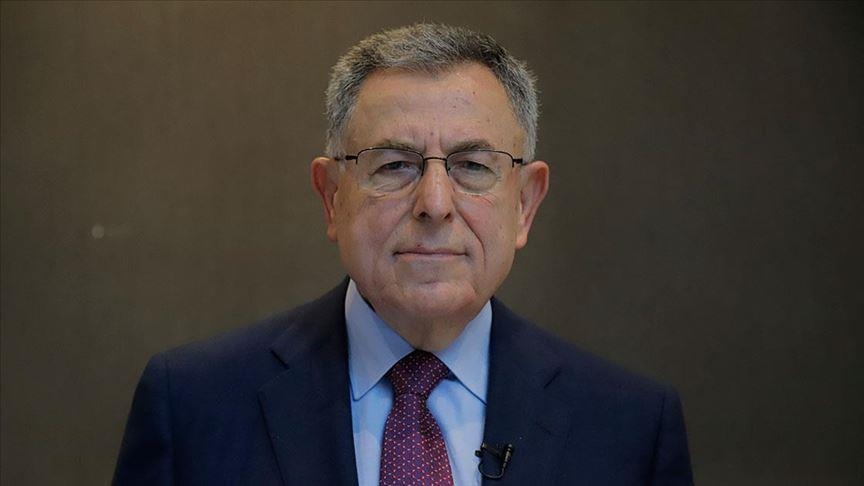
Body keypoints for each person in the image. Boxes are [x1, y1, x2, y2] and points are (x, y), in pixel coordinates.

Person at [113, 23, 693, 485]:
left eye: (472, 166)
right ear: (332, 197)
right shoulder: (193, 405)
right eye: (394, 165)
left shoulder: (631, 427)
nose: (435, 204)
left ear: (524, 204)